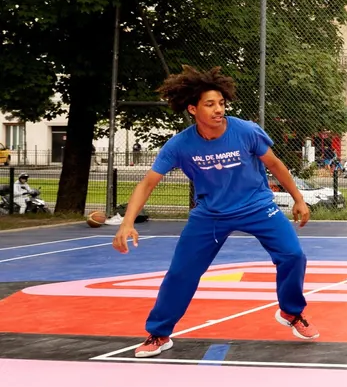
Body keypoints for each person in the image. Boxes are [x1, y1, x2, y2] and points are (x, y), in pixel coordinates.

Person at [111, 66, 318, 357]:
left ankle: (291, 312)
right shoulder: (180, 145)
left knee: (293, 256)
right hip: (211, 213)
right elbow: (148, 183)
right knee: (181, 273)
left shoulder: (245, 131)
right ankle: (159, 333)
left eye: (221, 103)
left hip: (257, 206)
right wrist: (127, 222)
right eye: (210, 104)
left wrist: (298, 198)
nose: (218, 109)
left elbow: (275, 165)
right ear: (193, 109)